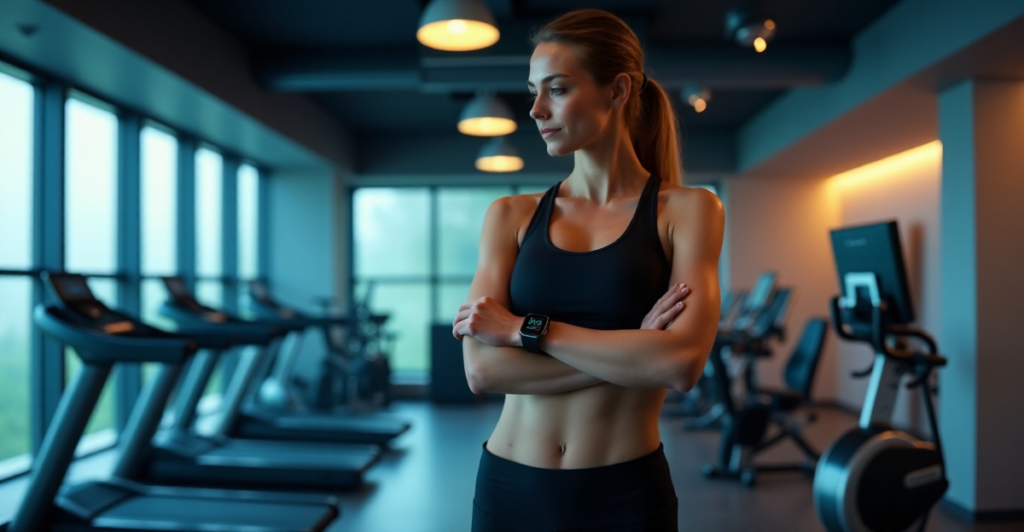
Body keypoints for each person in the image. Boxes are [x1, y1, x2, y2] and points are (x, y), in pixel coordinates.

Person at [451, 8, 724, 532]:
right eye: (533, 90)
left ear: (617, 91)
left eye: (556, 89)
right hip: (510, 487)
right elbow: (483, 370)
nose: (534, 109)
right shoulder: (510, 215)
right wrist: (632, 347)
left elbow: (681, 364)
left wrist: (521, 330)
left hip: (625, 494)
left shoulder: (689, 211)